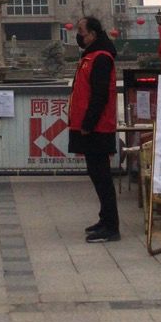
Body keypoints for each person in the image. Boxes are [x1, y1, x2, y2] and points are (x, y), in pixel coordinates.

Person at [68, 15, 120, 243]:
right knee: (96, 174)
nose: (79, 36)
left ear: (93, 34)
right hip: (88, 125)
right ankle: (104, 218)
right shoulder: (90, 56)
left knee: (102, 176)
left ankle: (111, 227)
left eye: (81, 32)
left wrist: (88, 123)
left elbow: (100, 95)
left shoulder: (101, 58)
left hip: (97, 127)